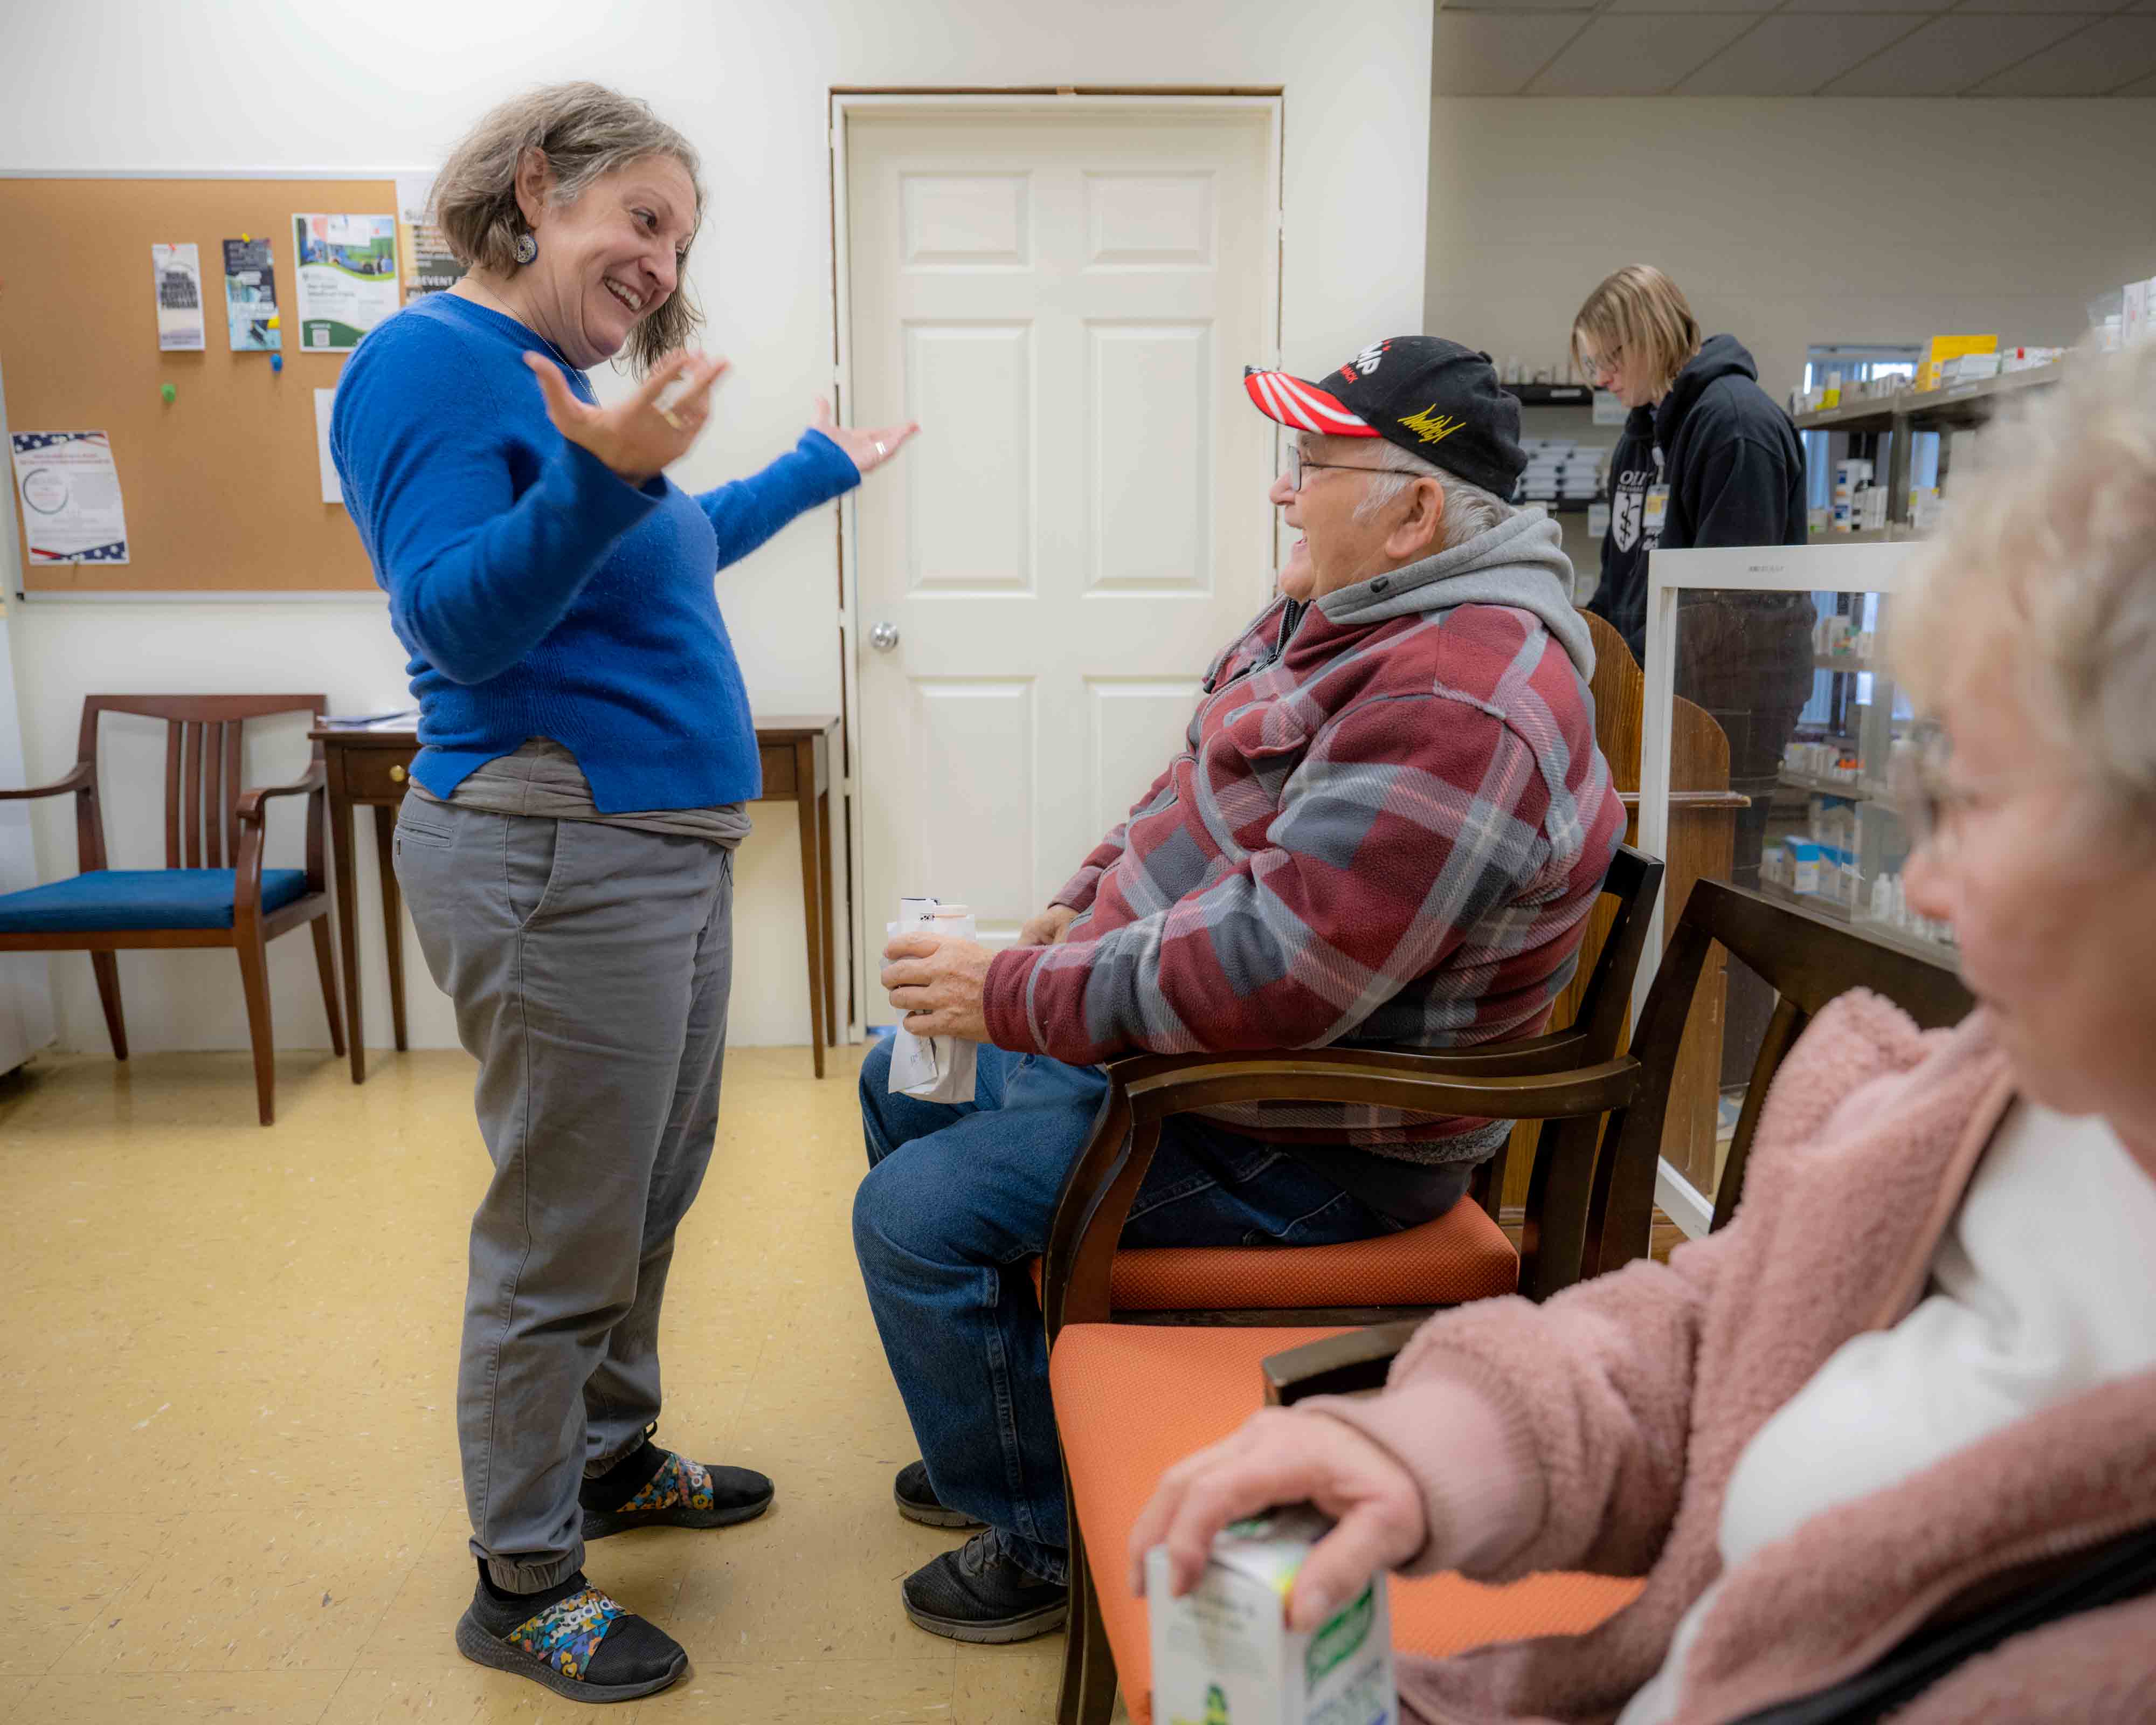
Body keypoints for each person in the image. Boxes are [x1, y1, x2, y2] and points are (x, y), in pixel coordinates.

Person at [1132, 341, 2156, 1724]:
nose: (1919, 882)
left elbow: (1287, 954)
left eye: (1969, 798)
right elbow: (1717, 1335)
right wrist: (1432, 1448)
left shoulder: (1458, 685)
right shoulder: (1996, 1101)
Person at [853, 337, 1627, 1645]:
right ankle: (1006, 1416)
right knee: (897, 1078)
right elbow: (1185, 784)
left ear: (1414, 510)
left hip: (1307, 1138)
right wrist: (1078, 899)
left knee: (912, 1218)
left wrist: (1021, 993)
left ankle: (1041, 1528)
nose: (1282, 489)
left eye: (1312, 465)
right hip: (1208, 1071)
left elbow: (1280, 970)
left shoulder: (1460, 699)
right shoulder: (1342, 616)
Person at [330, 82, 916, 1705]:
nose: (662, 263)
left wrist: (807, 472)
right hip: (554, 847)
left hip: (651, 846)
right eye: (642, 219)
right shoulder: (427, 362)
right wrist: (602, 480)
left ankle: (608, 1457)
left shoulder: (568, 389)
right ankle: (523, 1579)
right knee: (561, 1231)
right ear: (537, 187)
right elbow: (453, 620)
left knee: (647, 1191)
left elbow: (664, 549)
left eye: (680, 242)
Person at [1573, 264, 1815, 1086]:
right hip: (1659, 689)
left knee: (1720, 886)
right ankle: (1666, 1062)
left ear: (1649, 338)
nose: (1602, 378)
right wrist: (1594, 662)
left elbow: (1728, 605)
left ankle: (1728, 1078)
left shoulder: (1735, 426)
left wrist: (1651, 695)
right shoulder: (1644, 431)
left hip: (1727, 706)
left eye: (1609, 358)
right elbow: (1623, 572)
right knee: (1660, 881)